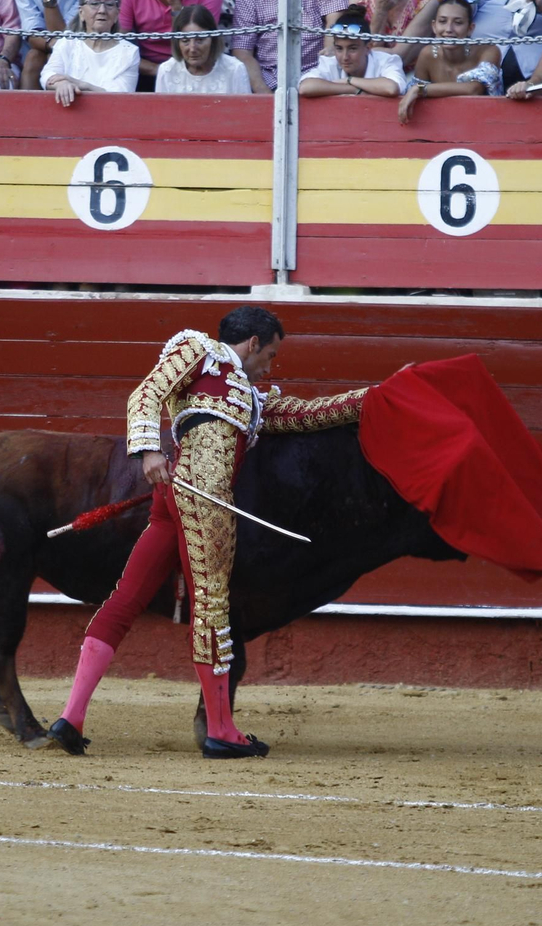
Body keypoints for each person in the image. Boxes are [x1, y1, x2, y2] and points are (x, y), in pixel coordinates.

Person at [46, 307, 369, 760]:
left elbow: (313, 413)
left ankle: (71, 718)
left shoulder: (254, 399)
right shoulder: (199, 350)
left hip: (175, 499)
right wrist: (147, 450)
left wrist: (382, 395)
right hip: (204, 498)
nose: (271, 366)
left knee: (127, 598)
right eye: (271, 354)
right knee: (212, 603)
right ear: (254, 343)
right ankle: (220, 729)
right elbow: (147, 393)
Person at [396, 0, 503, 121]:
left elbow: (474, 89)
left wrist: (420, 89)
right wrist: (417, 90)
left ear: (470, 29)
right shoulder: (428, 54)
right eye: (442, 21)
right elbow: (412, 99)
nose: (449, 29)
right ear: (434, 27)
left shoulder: (488, 50)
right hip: (442, 124)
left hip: (487, 122)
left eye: (458, 23)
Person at [41, 0, 139, 103]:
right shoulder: (68, 41)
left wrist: (83, 85)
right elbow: (47, 75)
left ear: (117, 14)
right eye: (94, 3)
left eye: (109, 4)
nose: (102, 11)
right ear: (81, 12)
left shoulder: (129, 52)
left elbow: (121, 97)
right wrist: (62, 84)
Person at [300, 8, 408, 96]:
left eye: (352, 49)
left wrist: (349, 80)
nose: (345, 57)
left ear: (368, 47)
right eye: (339, 48)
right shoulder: (330, 63)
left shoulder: (386, 60)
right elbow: (305, 87)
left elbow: (391, 88)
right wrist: (353, 89)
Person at [154, 3, 253, 92]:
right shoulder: (167, 70)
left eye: (200, 40)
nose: (192, 49)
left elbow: (244, 111)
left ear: (213, 39)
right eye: (185, 41)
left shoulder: (235, 69)